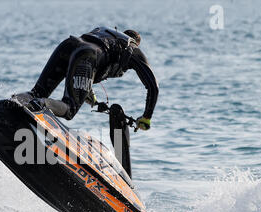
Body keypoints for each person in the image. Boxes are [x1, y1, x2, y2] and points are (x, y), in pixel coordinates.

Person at [15, 27, 159, 178]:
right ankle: (40, 104)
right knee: (69, 108)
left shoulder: (107, 35)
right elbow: (153, 87)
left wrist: (90, 95)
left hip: (69, 45)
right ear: (136, 42)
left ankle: (16, 101)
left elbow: (85, 62)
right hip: (87, 55)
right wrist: (146, 117)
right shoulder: (133, 48)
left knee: (36, 92)